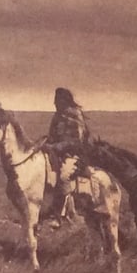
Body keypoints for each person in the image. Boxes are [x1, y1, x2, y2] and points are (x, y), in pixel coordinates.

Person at [43, 87, 93, 225]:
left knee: (64, 176)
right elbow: (52, 136)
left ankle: (64, 213)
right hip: (57, 153)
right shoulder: (56, 116)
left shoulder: (75, 115)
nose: (54, 104)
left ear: (63, 101)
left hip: (75, 155)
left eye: (57, 100)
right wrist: (45, 144)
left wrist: (57, 147)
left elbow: (77, 140)